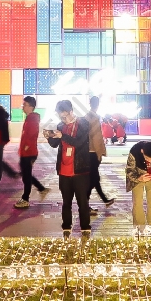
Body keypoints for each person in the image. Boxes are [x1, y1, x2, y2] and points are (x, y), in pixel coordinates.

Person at [46, 99, 92, 238]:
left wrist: (63, 135)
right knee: (66, 202)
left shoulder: (83, 123)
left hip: (80, 170)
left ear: (71, 111)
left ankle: (85, 228)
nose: (63, 119)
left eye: (65, 116)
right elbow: (55, 144)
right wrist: (49, 137)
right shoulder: (61, 125)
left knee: (82, 202)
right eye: (61, 116)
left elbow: (79, 142)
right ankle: (66, 226)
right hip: (64, 170)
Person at [15, 96, 47, 208]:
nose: (23, 107)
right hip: (26, 152)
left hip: (29, 152)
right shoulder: (30, 118)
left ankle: (25, 199)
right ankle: (41, 188)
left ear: (31, 107)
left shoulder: (32, 119)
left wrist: (26, 147)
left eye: (25, 105)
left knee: (26, 176)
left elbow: (32, 134)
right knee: (26, 174)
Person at [85, 96, 114, 213]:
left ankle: (104, 200)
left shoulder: (87, 117)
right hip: (93, 152)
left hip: (88, 151)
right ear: (98, 104)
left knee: (94, 179)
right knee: (93, 179)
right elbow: (96, 137)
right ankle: (85, 206)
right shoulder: (94, 117)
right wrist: (99, 153)